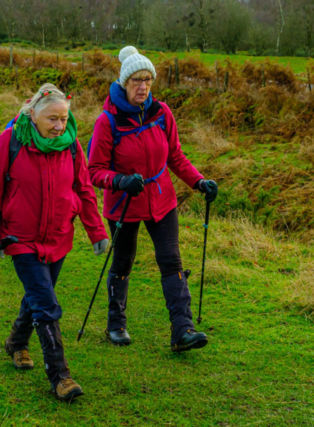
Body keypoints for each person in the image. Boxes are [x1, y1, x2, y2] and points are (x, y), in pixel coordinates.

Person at [0, 83, 109, 401]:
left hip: (59, 238)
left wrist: (97, 232)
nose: (59, 126)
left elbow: (84, 190)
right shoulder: (10, 142)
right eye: (52, 119)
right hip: (20, 240)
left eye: (64, 118)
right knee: (46, 304)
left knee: (38, 296)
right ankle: (61, 377)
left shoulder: (71, 145)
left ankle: (16, 343)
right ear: (33, 114)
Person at [88, 46, 218, 352]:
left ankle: (182, 329)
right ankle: (116, 324)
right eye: (136, 80)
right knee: (123, 261)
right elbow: (94, 171)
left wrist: (199, 181)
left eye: (147, 79)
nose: (143, 86)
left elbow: (175, 156)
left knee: (170, 260)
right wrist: (119, 181)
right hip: (124, 204)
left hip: (161, 201)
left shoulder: (162, 113)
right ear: (124, 83)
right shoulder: (108, 121)